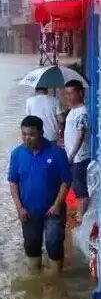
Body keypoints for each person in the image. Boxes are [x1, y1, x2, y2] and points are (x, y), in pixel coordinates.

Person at [8, 115, 71, 273]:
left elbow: (66, 181)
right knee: (31, 245)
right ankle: (35, 278)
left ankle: (55, 280)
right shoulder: (17, 154)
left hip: (53, 210)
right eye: (24, 134)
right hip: (28, 211)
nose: (27, 138)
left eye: (31, 134)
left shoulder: (57, 153)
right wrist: (19, 208)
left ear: (41, 133)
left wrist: (57, 205)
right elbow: (13, 183)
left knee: (54, 243)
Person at [64, 79, 91, 222]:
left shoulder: (82, 112)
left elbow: (80, 136)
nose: (68, 96)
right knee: (77, 187)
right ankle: (81, 214)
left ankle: (82, 218)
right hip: (73, 156)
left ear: (80, 93)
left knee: (81, 189)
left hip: (79, 157)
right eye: (66, 93)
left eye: (71, 93)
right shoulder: (73, 111)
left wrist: (72, 155)